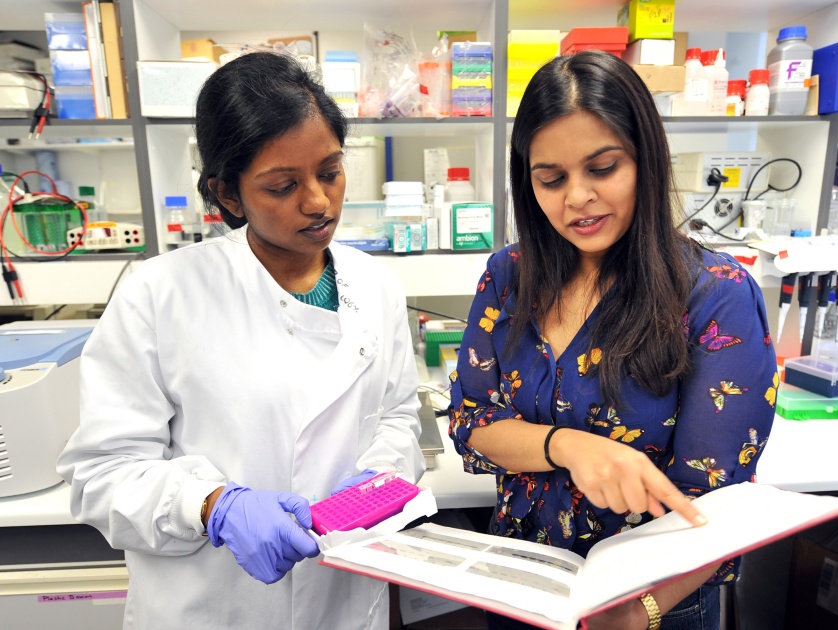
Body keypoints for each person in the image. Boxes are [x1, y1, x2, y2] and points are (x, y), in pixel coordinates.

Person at [57, 51, 425, 630]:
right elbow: (103, 473)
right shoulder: (160, 294)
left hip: (344, 595)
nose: (318, 202)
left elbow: (399, 417)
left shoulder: (374, 283)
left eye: (329, 171)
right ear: (228, 195)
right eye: (283, 186)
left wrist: (377, 481)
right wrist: (212, 507)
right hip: (211, 605)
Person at [448, 50, 777, 630]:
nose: (576, 198)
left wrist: (634, 613)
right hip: (521, 584)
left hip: (648, 606)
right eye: (551, 179)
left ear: (645, 161)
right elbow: (471, 424)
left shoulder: (715, 295)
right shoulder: (508, 276)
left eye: (602, 169)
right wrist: (571, 447)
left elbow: (715, 504)